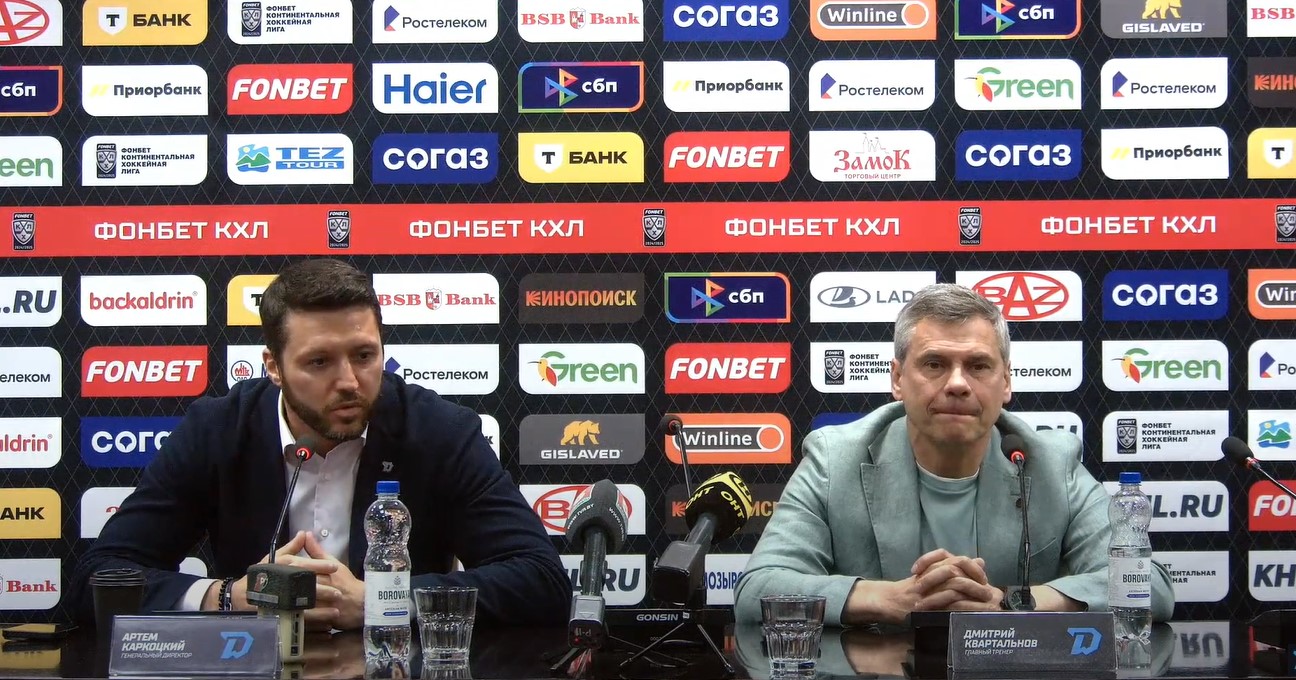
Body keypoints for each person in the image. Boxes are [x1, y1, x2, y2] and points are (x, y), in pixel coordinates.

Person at [72, 259, 571, 629]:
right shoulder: (218, 430)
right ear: (273, 367)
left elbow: (542, 581)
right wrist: (233, 598)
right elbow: (97, 579)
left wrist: (381, 601)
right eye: (319, 362)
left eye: (364, 355)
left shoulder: (440, 431)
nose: (349, 382)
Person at [733, 283, 1175, 626]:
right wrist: (892, 599)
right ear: (897, 379)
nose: (958, 383)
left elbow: (1147, 585)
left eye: (978, 366)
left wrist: (1009, 603)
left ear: (1006, 382)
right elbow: (758, 588)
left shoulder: (1051, 461)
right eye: (935, 364)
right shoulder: (835, 459)